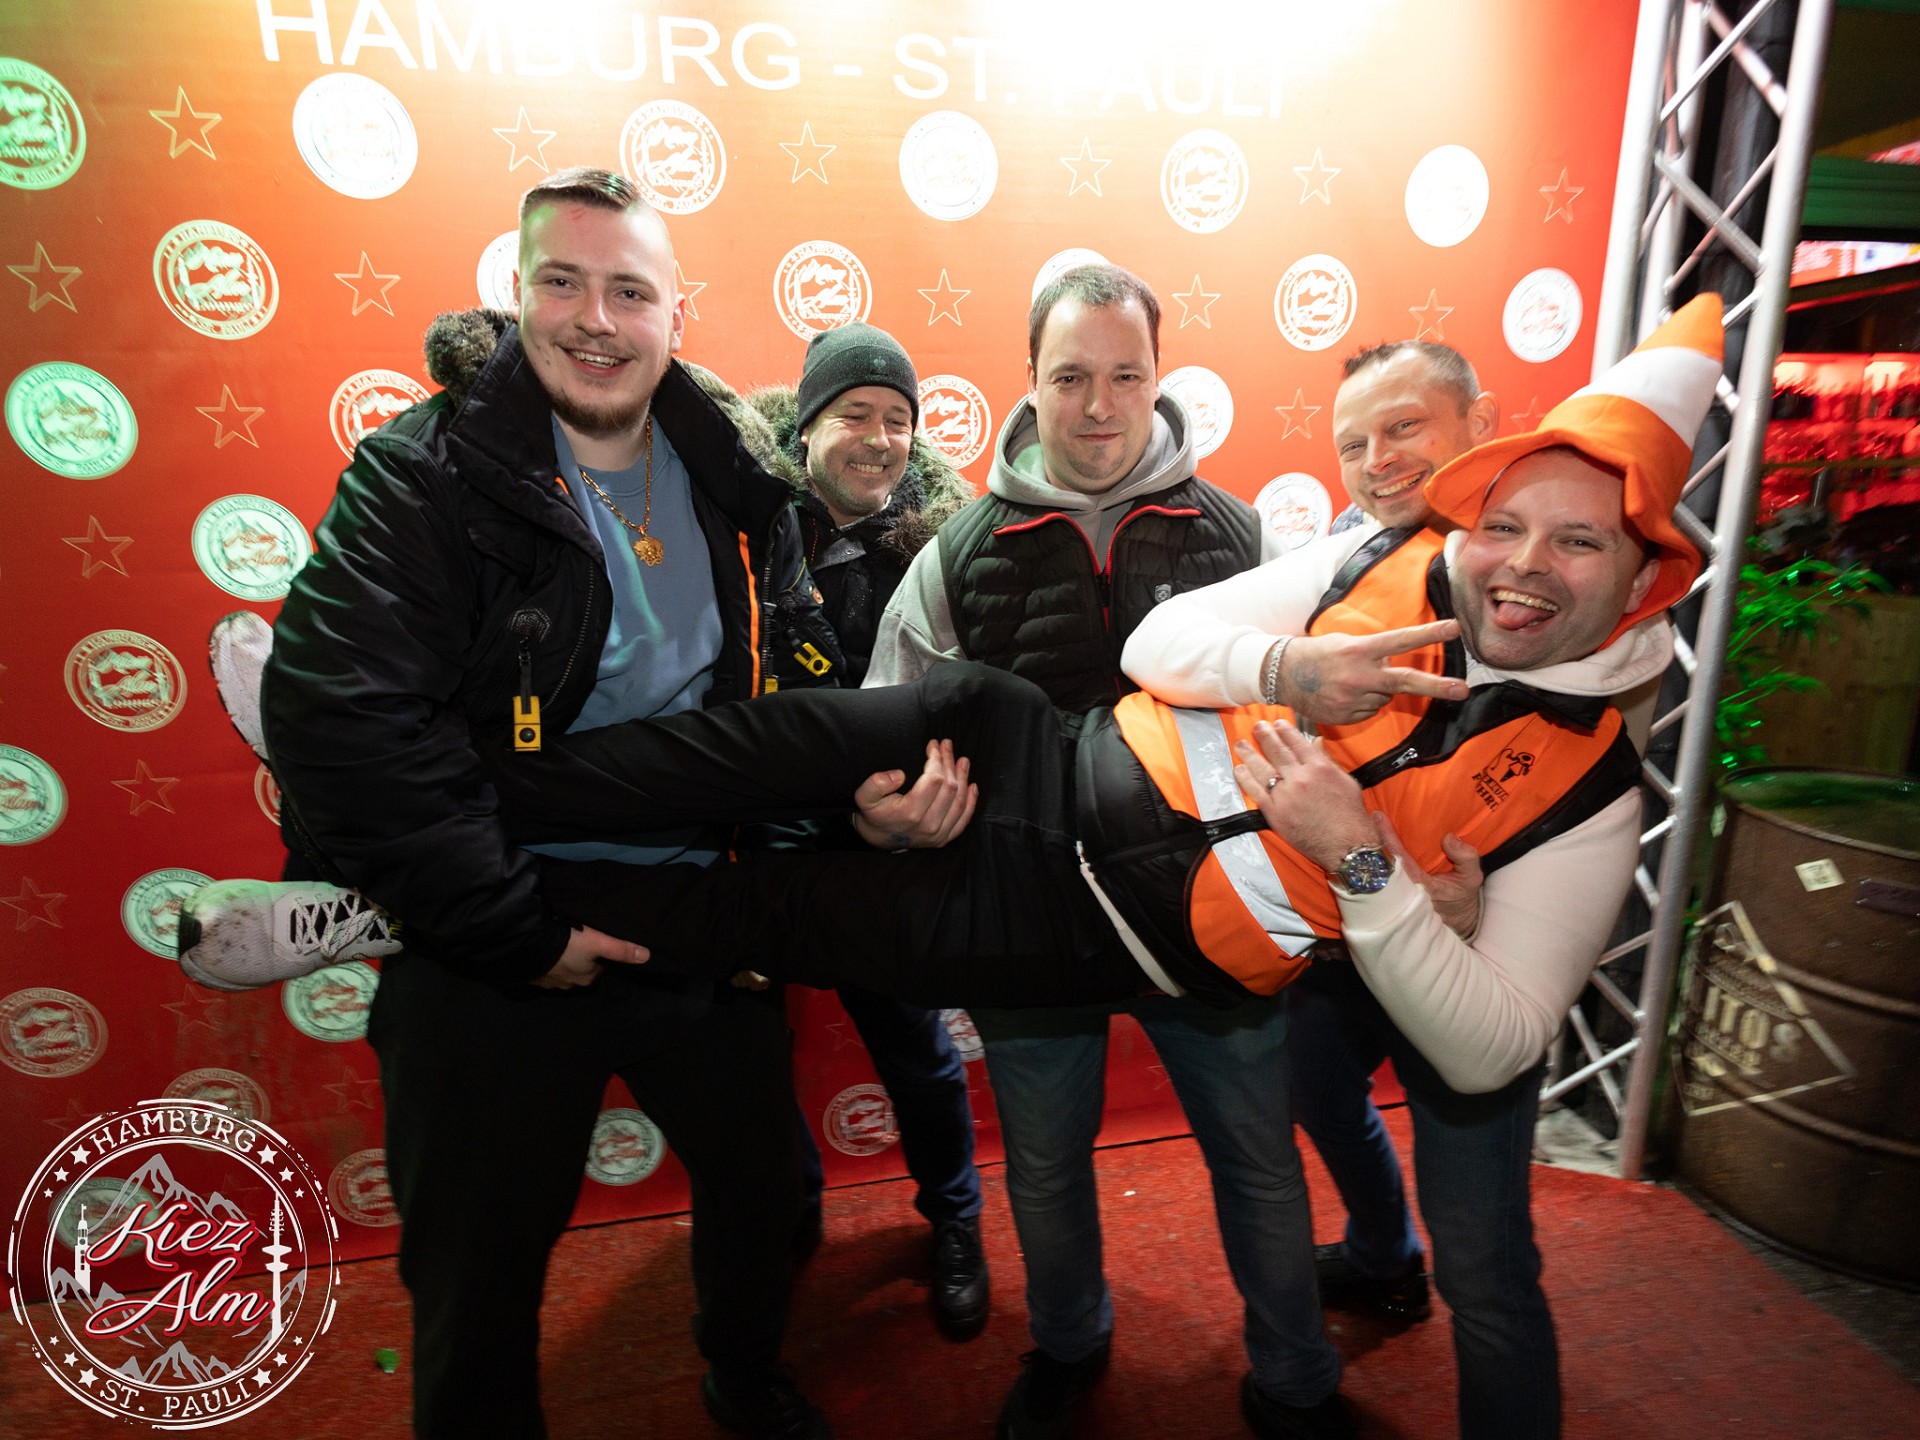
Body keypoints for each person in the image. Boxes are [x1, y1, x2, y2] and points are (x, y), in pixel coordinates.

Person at [252, 166, 860, 1440]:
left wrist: (790, 869)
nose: (597, 319)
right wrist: (517, 932)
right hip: (494, 935)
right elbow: (343, 722)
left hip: (699, 916)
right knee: (475, 1283)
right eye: (564, 283)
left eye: (629, 291)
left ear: (676, 313)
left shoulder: (740, 484)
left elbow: (791, 696)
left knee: (772, 1202)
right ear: (518, 295)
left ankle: (745, 1377)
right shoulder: (424, 471)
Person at [1122, 296, 1722, 1439]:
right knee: (1315, 1089)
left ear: (1483, 429)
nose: (1380, 462)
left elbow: (1544, 838)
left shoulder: (1612, 660)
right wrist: (1289, 672)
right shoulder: (1361, 558)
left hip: (1463, 960)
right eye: (1354, 442)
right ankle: (1382, 1252)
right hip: (1337, 946)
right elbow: (1164, 645)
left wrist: (1416, 884)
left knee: (1485, 1262)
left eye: (1404, 429)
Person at [867, 262, 1351, 1440]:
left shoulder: (1242, 535)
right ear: (1029, 381)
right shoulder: (955, 554)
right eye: (1071, 376)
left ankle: (1296, 1381)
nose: (1098, 406)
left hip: (1212, 907)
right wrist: (887, 812)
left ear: (1158, 378)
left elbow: (1312, 716)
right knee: (1043, 1163)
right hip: (1030, 917)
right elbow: (881, 731)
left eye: (1125, 376)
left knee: (1258, 1157)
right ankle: (1069, 1346)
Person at [748, 324, 988, 1335]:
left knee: (915, 1045)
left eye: (898, 419)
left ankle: (957, 1219)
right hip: (750, 841)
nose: (880, 439)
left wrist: (900, 809)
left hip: (880, 842)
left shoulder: (946, 550)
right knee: (746, 1057)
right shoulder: (740, 527)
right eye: (855, 414)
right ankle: (787, 1216)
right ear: (806, 427)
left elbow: (966, 705)